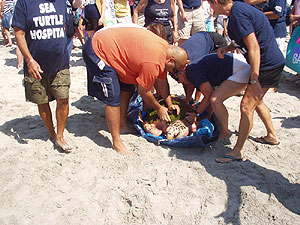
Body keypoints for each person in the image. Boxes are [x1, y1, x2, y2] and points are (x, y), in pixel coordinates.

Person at [82, 25, 188, 154]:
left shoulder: (164, 50)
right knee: (113, 97)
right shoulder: (153, 62)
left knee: (128, 88)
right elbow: (144, 91)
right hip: (98, 49)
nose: (175, 73)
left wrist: (169, 103)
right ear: (171, 60)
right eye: (175, 69)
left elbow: (162, 81)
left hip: (116, 50)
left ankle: (122, 125)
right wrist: (158, 108)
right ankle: (117, 142)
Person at [208, 0, 285, 163]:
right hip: (267, 63)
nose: (210, 8)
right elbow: (241, 40)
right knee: (257, 101)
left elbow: (254, 47)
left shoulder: (238, 15)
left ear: (216, 2)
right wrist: (227, 48)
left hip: (267, 65)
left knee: (246, 105)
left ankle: (236, 151)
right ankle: (271, 135)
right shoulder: (237, 10)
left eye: (210, 4)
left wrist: (254, 78)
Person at [12, 0, 82, 152]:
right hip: (35, 64)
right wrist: (29, 60)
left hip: (60, 62)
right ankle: (51, 132)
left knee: (63, 99)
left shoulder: (62, 2)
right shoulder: (24, 3)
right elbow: (19, 33)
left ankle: (60, 136)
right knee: (42, 101)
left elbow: (68, 28)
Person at [171, 53, 250, 140]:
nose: (178, 82)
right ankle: (268, 134)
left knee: (216, 100)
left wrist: (196, 114)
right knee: (258, 103)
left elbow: (209, 94)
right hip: (238, 63)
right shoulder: (192, 69)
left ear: (181, 71)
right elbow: (211, 92)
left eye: (176, 78)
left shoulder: (192, 72)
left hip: (241, 69)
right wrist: (206, 115)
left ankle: (225, 132)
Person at [180, 31, 227, 103]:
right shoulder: (180, 58)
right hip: (201, 38)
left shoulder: (195, 62)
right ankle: (190, 100)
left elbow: (200, 79)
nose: (179, 82)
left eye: (178, 80)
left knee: (206, 76)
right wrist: (188, 99)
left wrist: (191, 102)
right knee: (188, 78)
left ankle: (197, 101)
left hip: (217, 43)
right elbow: (186, 81)